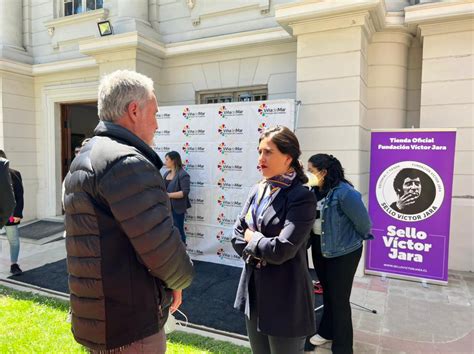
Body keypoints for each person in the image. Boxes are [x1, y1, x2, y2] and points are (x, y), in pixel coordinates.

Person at [63, 70, 194, 353]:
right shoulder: (126, 163)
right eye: (155, 113)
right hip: (129, 324)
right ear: (134, 110)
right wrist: (180, 281)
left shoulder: (85, 157)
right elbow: (161, 249)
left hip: (100, 320)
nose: (157, 124)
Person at [232, 126, 317, 354]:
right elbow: (236, 235)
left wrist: (253, 238)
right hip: (255, 292)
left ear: (288, 157)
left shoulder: (302, 196)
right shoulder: (257, 190)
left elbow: (282, 250)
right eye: (259, 152)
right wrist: (260, 244)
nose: (261, 159)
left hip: (286, 297)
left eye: (268, 152)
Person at [307, 154, 372, 354]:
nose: (308, 174)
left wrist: (351, 241)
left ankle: (343, 347)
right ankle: (327, 332)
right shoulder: (314, 191)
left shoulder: (345, 193)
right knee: (328, 293)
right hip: (320, 248)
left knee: (339, 299)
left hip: (343, 253)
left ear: (324, 172)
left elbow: (364, 223)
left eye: (311, 170)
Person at [0, 150, 24, 276]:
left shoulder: (14, 174)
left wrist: (17, 214)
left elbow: (19, 195)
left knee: (13, 240)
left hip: (10, 213)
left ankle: (14, 264)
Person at [163, 151, 191, 244]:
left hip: (177, 209)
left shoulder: (183, 174)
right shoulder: (166, 174)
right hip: (166, 208)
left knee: (178, 230)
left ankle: (183, 253)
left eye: (167, 159)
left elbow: (185, 192)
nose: (165, 161)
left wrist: (169, 195)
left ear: (173, 160)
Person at [0, 155, 15, 229]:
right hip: (7, 213)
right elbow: (9, 203)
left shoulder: (15, 173)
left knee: (12, 235)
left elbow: (19, 192)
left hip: (10, 216)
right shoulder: (2, 165)